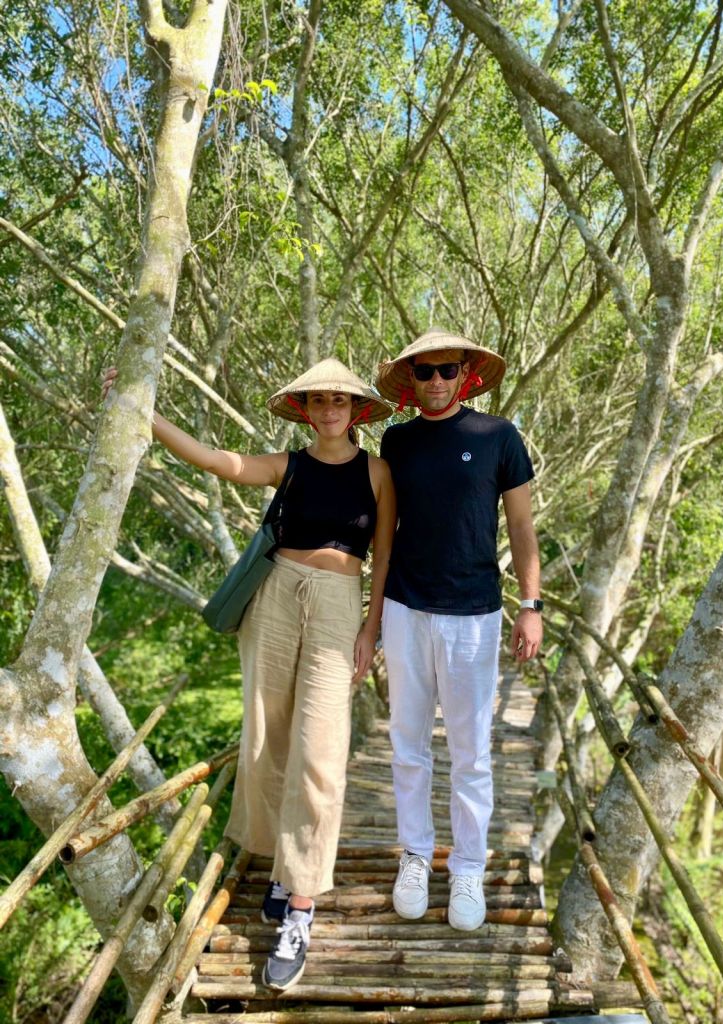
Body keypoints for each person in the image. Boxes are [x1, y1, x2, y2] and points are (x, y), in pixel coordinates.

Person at [102, 358, 395, 989]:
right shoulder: (288, 465)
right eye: (316, 401)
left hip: (340, 603)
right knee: (268, 737)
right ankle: (282, 871)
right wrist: (146, 416)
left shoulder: (377, 472)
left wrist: (371, 629)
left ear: (356, 410)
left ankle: (302, 905)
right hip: (277, 597)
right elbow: (218, 461)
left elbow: (386, 554)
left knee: (321, 749)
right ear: (305, 410)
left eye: (338, 401)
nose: (328, 411)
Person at [374, 327, 542, 932]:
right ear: (411, 380)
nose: (437, 382)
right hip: (405, 608)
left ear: (466, 373)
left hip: (474, 613)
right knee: (407, 744)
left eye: (448, 370)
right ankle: (416, 854)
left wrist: (531, 603)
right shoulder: (396, 441)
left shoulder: (498, 435)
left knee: (470, 752)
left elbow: (521, 526)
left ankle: (467, 865)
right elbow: (381, 527)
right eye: (425, 372)